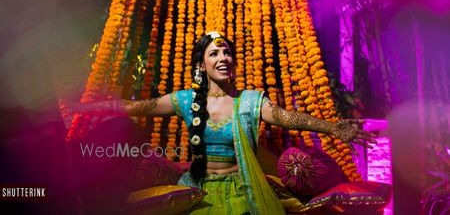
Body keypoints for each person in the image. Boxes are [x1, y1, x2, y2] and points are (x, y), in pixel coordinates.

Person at [68, 31, 376, 214]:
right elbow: (135, 106)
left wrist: (331, 126)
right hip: (199, 189)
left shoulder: (251, 101)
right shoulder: (186, 101)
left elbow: (285, 117)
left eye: (227, 53)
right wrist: (89, 105)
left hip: (245, 191)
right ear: (202, 64)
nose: (223, 58)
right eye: (215, 53)